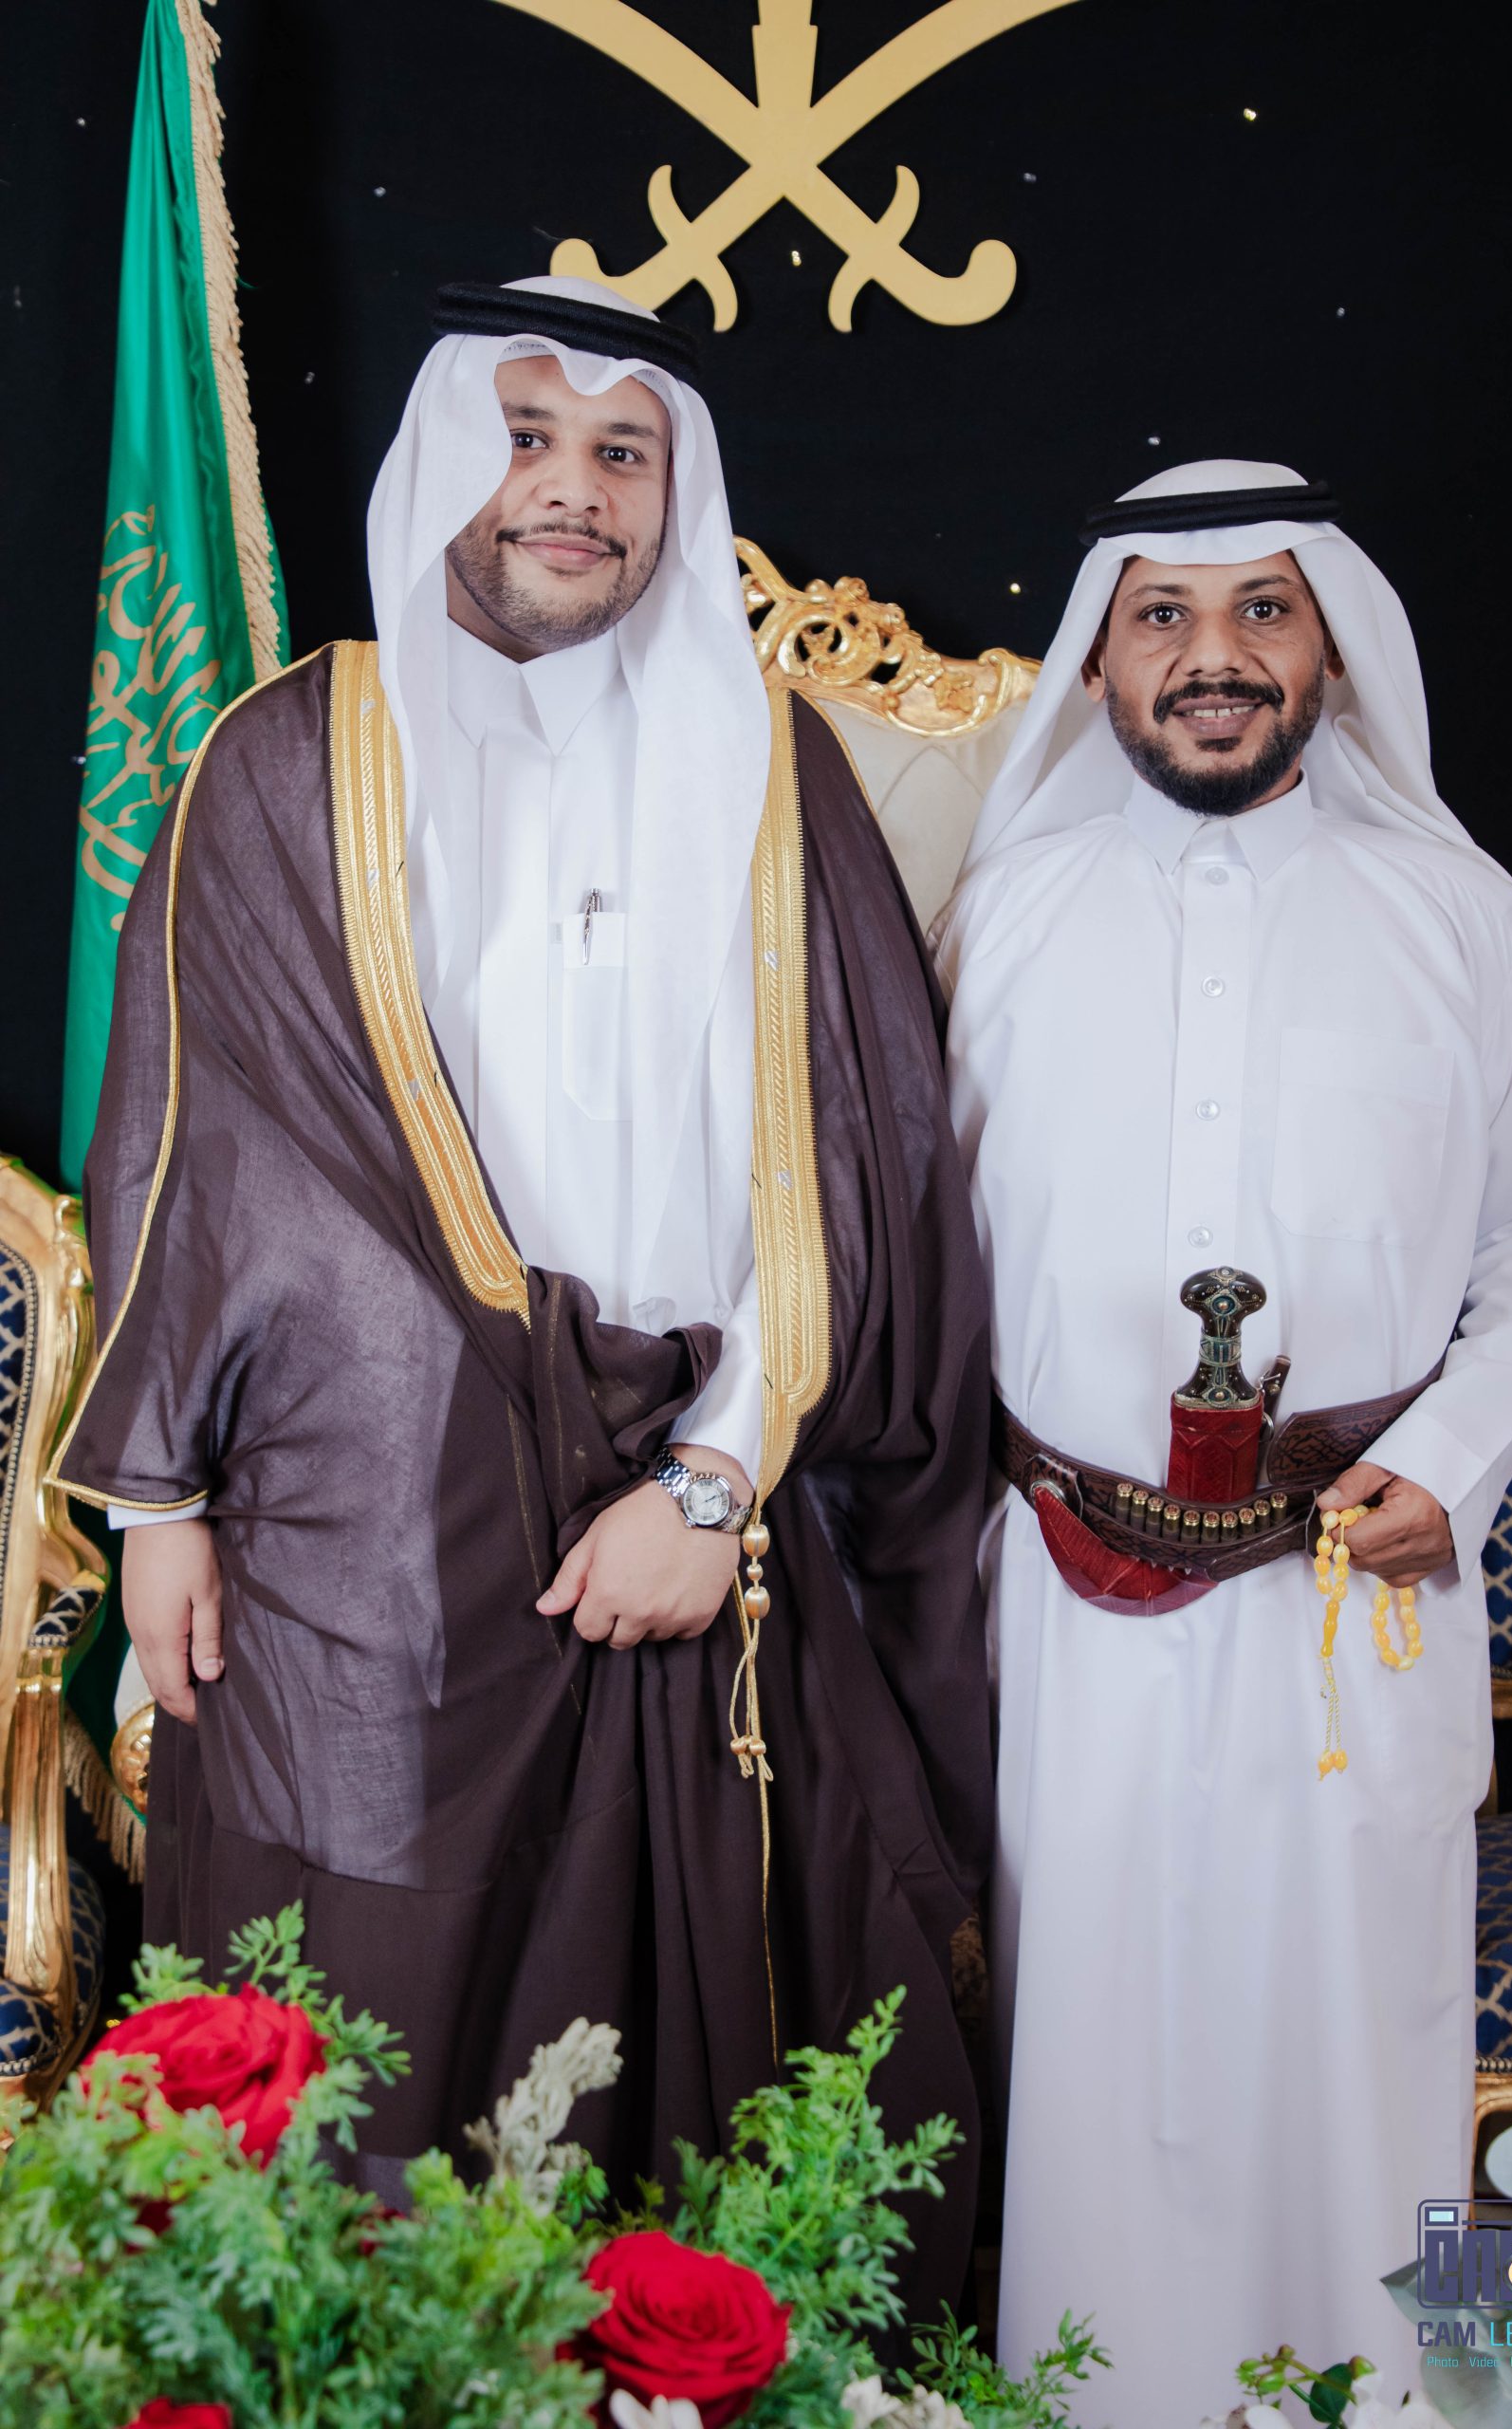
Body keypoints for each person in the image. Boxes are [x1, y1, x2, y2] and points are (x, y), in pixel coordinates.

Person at [51, 277, 992, 2312]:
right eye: (526, 437)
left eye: (620, 453)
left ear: (674, 493)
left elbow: (859, 1169)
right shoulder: (288, 756)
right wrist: (161, 1504)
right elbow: (194, 1149)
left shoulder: (774, 776)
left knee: (708, 2085)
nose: (571, 489)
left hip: (702, 1518)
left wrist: (717, 1478)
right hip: (368, 1532)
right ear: (441, 464)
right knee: (360, 2049)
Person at [933, 460, 1512, 2420]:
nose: (1211, 655)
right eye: (1161, 613)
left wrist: (1456, 1459)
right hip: (1064, 1587)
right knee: (1093, 2050)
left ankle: (1448, 2401)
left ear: (1329, 649)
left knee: (1373, 2038)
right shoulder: (999, 917)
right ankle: (1087, 2402)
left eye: (1261, 610)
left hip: (1358, 1589)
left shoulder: (1458, 916)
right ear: (1098, 659)